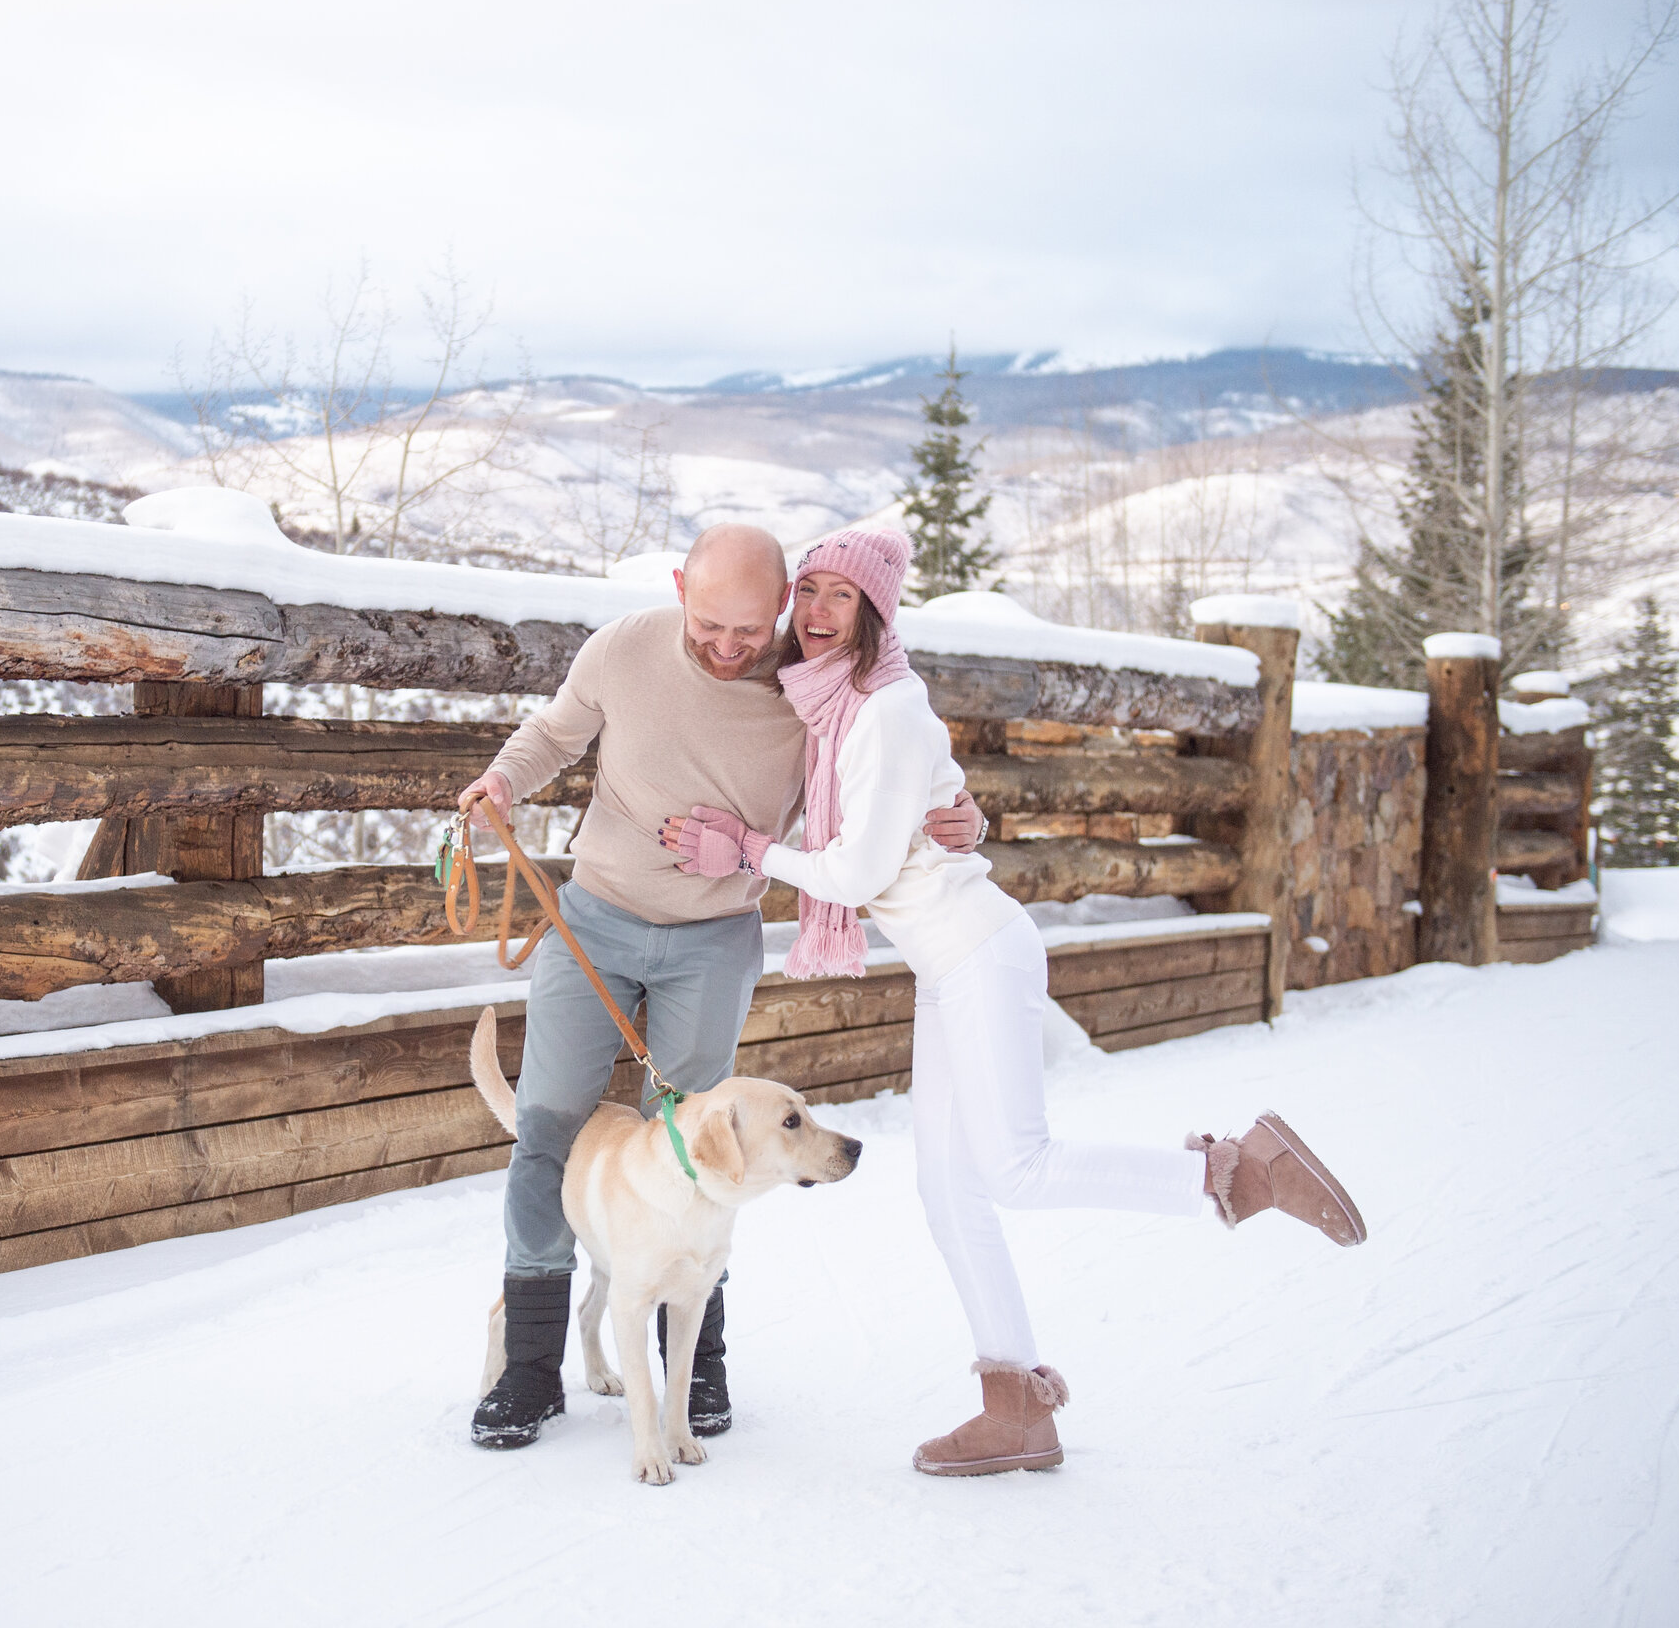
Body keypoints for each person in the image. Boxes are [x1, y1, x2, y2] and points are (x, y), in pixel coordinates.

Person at [661, 527, 1365, 1478]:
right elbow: (913, 801)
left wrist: (745, 851)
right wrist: (961, 807)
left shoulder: (885, 709)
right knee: (948, 1191)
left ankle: (1237, 1174)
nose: (820, 613)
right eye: (810, 592)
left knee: (1015, 1169)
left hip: (982, 952)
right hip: (948, 965)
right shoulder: (834, 700)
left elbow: (859, 864)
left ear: (876, 614)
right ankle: (1016, 1409)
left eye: (842, 598)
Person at [459, 523, 984, 1450]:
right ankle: (532, 1370)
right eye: (711, 624)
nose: (732, 646)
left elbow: (898, 752)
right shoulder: (624, 648)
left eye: (753, 627)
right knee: (546, 1134)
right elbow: (553, 733)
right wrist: (501, 782)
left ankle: (695, 1370)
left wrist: (957, 808)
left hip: (714, 938)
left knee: (704, 1151)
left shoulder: (813, 686)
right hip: (597, 920)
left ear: (782, 603)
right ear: (678, 588)